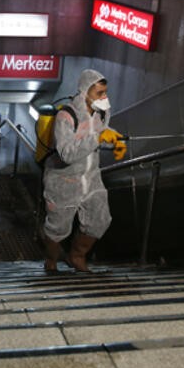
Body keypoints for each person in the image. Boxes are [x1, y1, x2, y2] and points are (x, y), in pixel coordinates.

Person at [41, 69, 126, 272]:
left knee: (100, 220)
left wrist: (114, 139)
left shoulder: (102, 112)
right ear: (85, 91)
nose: (104, 97)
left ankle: (76, 256)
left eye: (105, 92)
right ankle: (50, 261)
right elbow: (66, 153)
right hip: (64, 180)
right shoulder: (66, 116)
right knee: (57, 229)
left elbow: (99, 132)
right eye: (99, 93)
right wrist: (98, 138)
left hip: (91, 178)